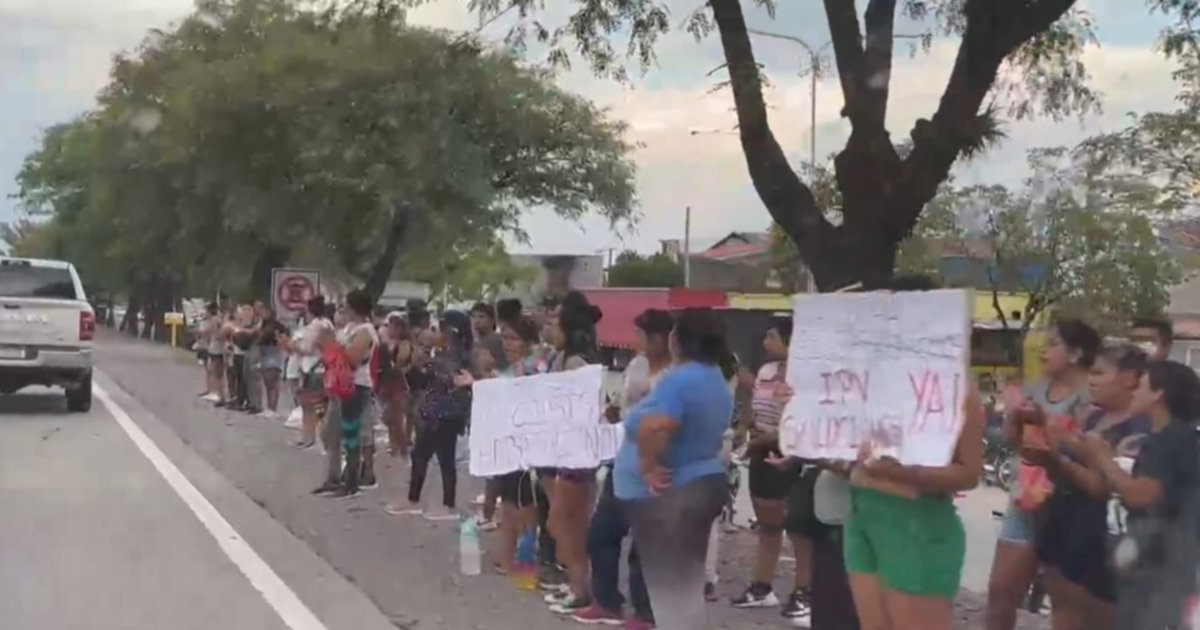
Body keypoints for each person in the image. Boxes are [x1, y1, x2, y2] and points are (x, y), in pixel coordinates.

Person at [842, 275, 984, 630]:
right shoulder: (866, 381)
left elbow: (969, 473)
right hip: (862, 514)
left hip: (917, 524)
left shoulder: (955, 388)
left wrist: (900, 473)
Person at [614, 307, 732, 629]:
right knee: (684, 588)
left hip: (677, 490)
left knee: (671, 593)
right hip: (702, 481)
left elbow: (655, 425)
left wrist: (647, 465)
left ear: (677, 339)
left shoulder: (680, 379)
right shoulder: (714, 376)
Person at [985, 319, 1100, 630]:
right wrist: (1013, 416)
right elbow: (1013, 441)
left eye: (1052, 344)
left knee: (1065, 605)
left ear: (1075, 354)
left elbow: (1091, 452)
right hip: (1025, 499)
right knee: (1000, 591)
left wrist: (1046, 422)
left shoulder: (1092, 396)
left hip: (1067, 506)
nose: (1043, 351)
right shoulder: (1037, 388)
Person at [1070, 360, 1200, 630]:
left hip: (1160, 568)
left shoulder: (1172, 440)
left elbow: (1139, 496)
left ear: (1158, 393)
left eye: (1140, 385)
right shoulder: (1169, 438)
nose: (1133, 391)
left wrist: (1102, 456)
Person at [1033, 344, 1150, 630]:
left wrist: (1062, 454)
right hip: (1064, 515)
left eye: (1099, 373)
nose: (1091, 380)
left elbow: (1102, 488)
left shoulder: (1138, 429)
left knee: (1089, 614)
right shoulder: (1092, 416)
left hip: (1098, 530)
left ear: (1129, 378)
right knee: (1062, 607)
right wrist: (1050, 453)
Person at [573, 309, 672, 627]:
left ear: (660, 338)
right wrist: (613, 411)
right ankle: (607, 601)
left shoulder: (674, 375)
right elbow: (622, 402)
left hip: (655, 463)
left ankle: (645, 612)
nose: (636, 340)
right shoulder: (637, 365)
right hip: (623, 458)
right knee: (601, 532)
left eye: (642, 334)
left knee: (644, 544)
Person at [733, 318, 812, 626]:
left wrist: (769, 439)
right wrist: (749, 429)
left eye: (772, 337)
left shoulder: (804, 377)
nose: (766, 343)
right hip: (761, 451)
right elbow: (754, 405)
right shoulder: (765, 372)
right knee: (768, 525)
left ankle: (804, 591)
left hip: (790, 453)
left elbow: (803, 421)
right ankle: (762, 587)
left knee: (798, 529)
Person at [542, 291, 604, 615]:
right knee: (566, 522)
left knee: (566, 524)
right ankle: (576, 583)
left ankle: (581, 588)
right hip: (568, 451)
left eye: (556, 321)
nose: (550, 326)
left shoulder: (575, 363)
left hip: (576, 454)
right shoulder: (565, 358)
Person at [392, 310, 473, 521]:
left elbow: (452, 380)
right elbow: (421, 382)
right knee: (423, 455)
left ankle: (446, 504)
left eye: (437, 329)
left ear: (450, 331)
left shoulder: (460, 355)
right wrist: (416, 366)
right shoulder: (441, 353)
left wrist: (428, 364)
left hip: (447, 413)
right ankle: (416, 500)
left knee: (443, 458)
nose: (433, 333)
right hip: (432, 412)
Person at [483, 316, 545, 571]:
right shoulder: (514, 366)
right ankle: (509, 552)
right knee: (510, 498)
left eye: (513, 339)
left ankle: (522, 554)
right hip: (508, 441)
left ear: (527, 342)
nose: (507, 344)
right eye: (505, 338)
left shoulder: (534, 366)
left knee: (522, 500)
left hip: (524, 444)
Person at [313, 291, 379, 498]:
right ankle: (333, 477)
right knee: (330, 432)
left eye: (345, 305)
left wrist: (332, 344)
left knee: (350, 433)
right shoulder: (348, 329)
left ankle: (351, 481)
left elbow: (353, 359)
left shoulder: (366, 331)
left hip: (355, 386)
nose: (342, 309)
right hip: (337, 385)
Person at [294, 297, 333, 449]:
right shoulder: (328, 324)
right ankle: (308, 436)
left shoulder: (315, 326)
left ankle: (309, 437)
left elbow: (307, 348)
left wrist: (293, 345)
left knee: (309, 405)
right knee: (315, 405)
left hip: (312, 367)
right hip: (321, 368)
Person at [378, 312, 413, 458]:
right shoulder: (385, 342)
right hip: (385, 382)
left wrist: (390, 362)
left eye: (393, 326)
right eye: (389, 325)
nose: (390, 329)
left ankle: (402, 449)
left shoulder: (403, 344)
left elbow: (400, 363)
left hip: (398, 383)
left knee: (397, 418)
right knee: (390, 418)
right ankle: (393, 447)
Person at [255, 305, 289, 419]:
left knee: (272, 383)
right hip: (268, 354)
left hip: (272, 353)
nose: (261, 314)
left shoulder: (273, 326)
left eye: (264, 311)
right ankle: (270, 407)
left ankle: (272, 408)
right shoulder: (265, 325)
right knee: (268, 384)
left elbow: (262, 338)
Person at [200, 302, 226, 404]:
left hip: (216, 347)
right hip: (214, 346)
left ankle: (217, 393)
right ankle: (216, 392)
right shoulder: (216, 320)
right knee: (213, 370)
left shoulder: (215, 320)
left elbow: (211, 331)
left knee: (215, 371)